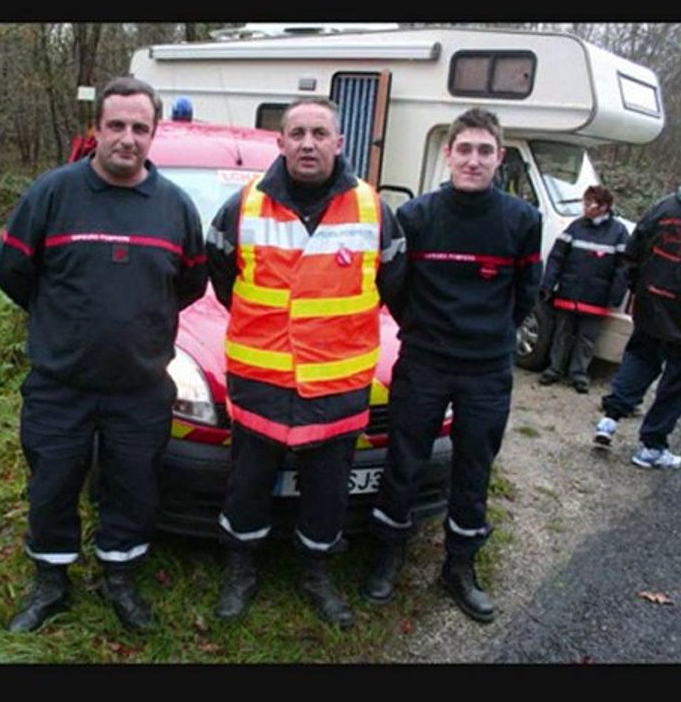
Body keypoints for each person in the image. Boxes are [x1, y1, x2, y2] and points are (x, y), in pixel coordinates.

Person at [0, 76, 208, 633]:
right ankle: (50, 582)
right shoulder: (52, 194)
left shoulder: (175, 208)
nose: (127, 139)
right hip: (60, 384)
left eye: (140, 128)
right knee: (53, 481)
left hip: (139, 389)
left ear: (154, 133)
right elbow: (12, 272)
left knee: (133, 485)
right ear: (97, 130)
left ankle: (120, 577)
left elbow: (187, 285)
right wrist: (64, 328)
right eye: (117, 126)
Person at [205, 98, 407, 629]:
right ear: (281, 142)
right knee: (247, 484)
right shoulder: (243, 206)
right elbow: (224, 280)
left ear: (340, 143)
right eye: (297, 133)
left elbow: (393, 287)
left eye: (320, 132)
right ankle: (240, 569)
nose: (308, 143)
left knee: (327, 492)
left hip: (337, 388)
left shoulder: (373, 210)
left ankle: (316, 572)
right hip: (260, 381)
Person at [361, 107, 542, 624]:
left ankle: (459, 567)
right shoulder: (417, 217)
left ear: (499, 158)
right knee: (404, 460)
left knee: (473, 468)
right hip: (423, 362)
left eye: (484, 151)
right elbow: (394, 289)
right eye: (464, 149)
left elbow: (525, 294)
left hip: (486, 369)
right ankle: (388, 553)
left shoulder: (522, 221)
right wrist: (423, 331)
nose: (473, 159)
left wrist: (488, 336)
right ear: (448, 153)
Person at [593, 187, 681, 470]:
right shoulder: (664, 207)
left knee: (640, 358)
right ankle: (652, 446)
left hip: (650, 302)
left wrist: (640, 289)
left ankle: (609, 420)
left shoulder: (662, 207)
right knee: (675, 381)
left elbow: (633, 251)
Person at [538, 185, 629, 393]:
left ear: (604, 206)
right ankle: (554, 369)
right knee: (562, 333)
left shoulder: (618, 232)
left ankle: (578, 374)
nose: (586, 207)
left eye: (590, 203)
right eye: (585, 203)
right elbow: (556, 257)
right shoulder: (575, 227)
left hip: (597, 296)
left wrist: (615, 295)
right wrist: (548, 284)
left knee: (587, 338)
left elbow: (623, 268)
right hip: (569, 292)